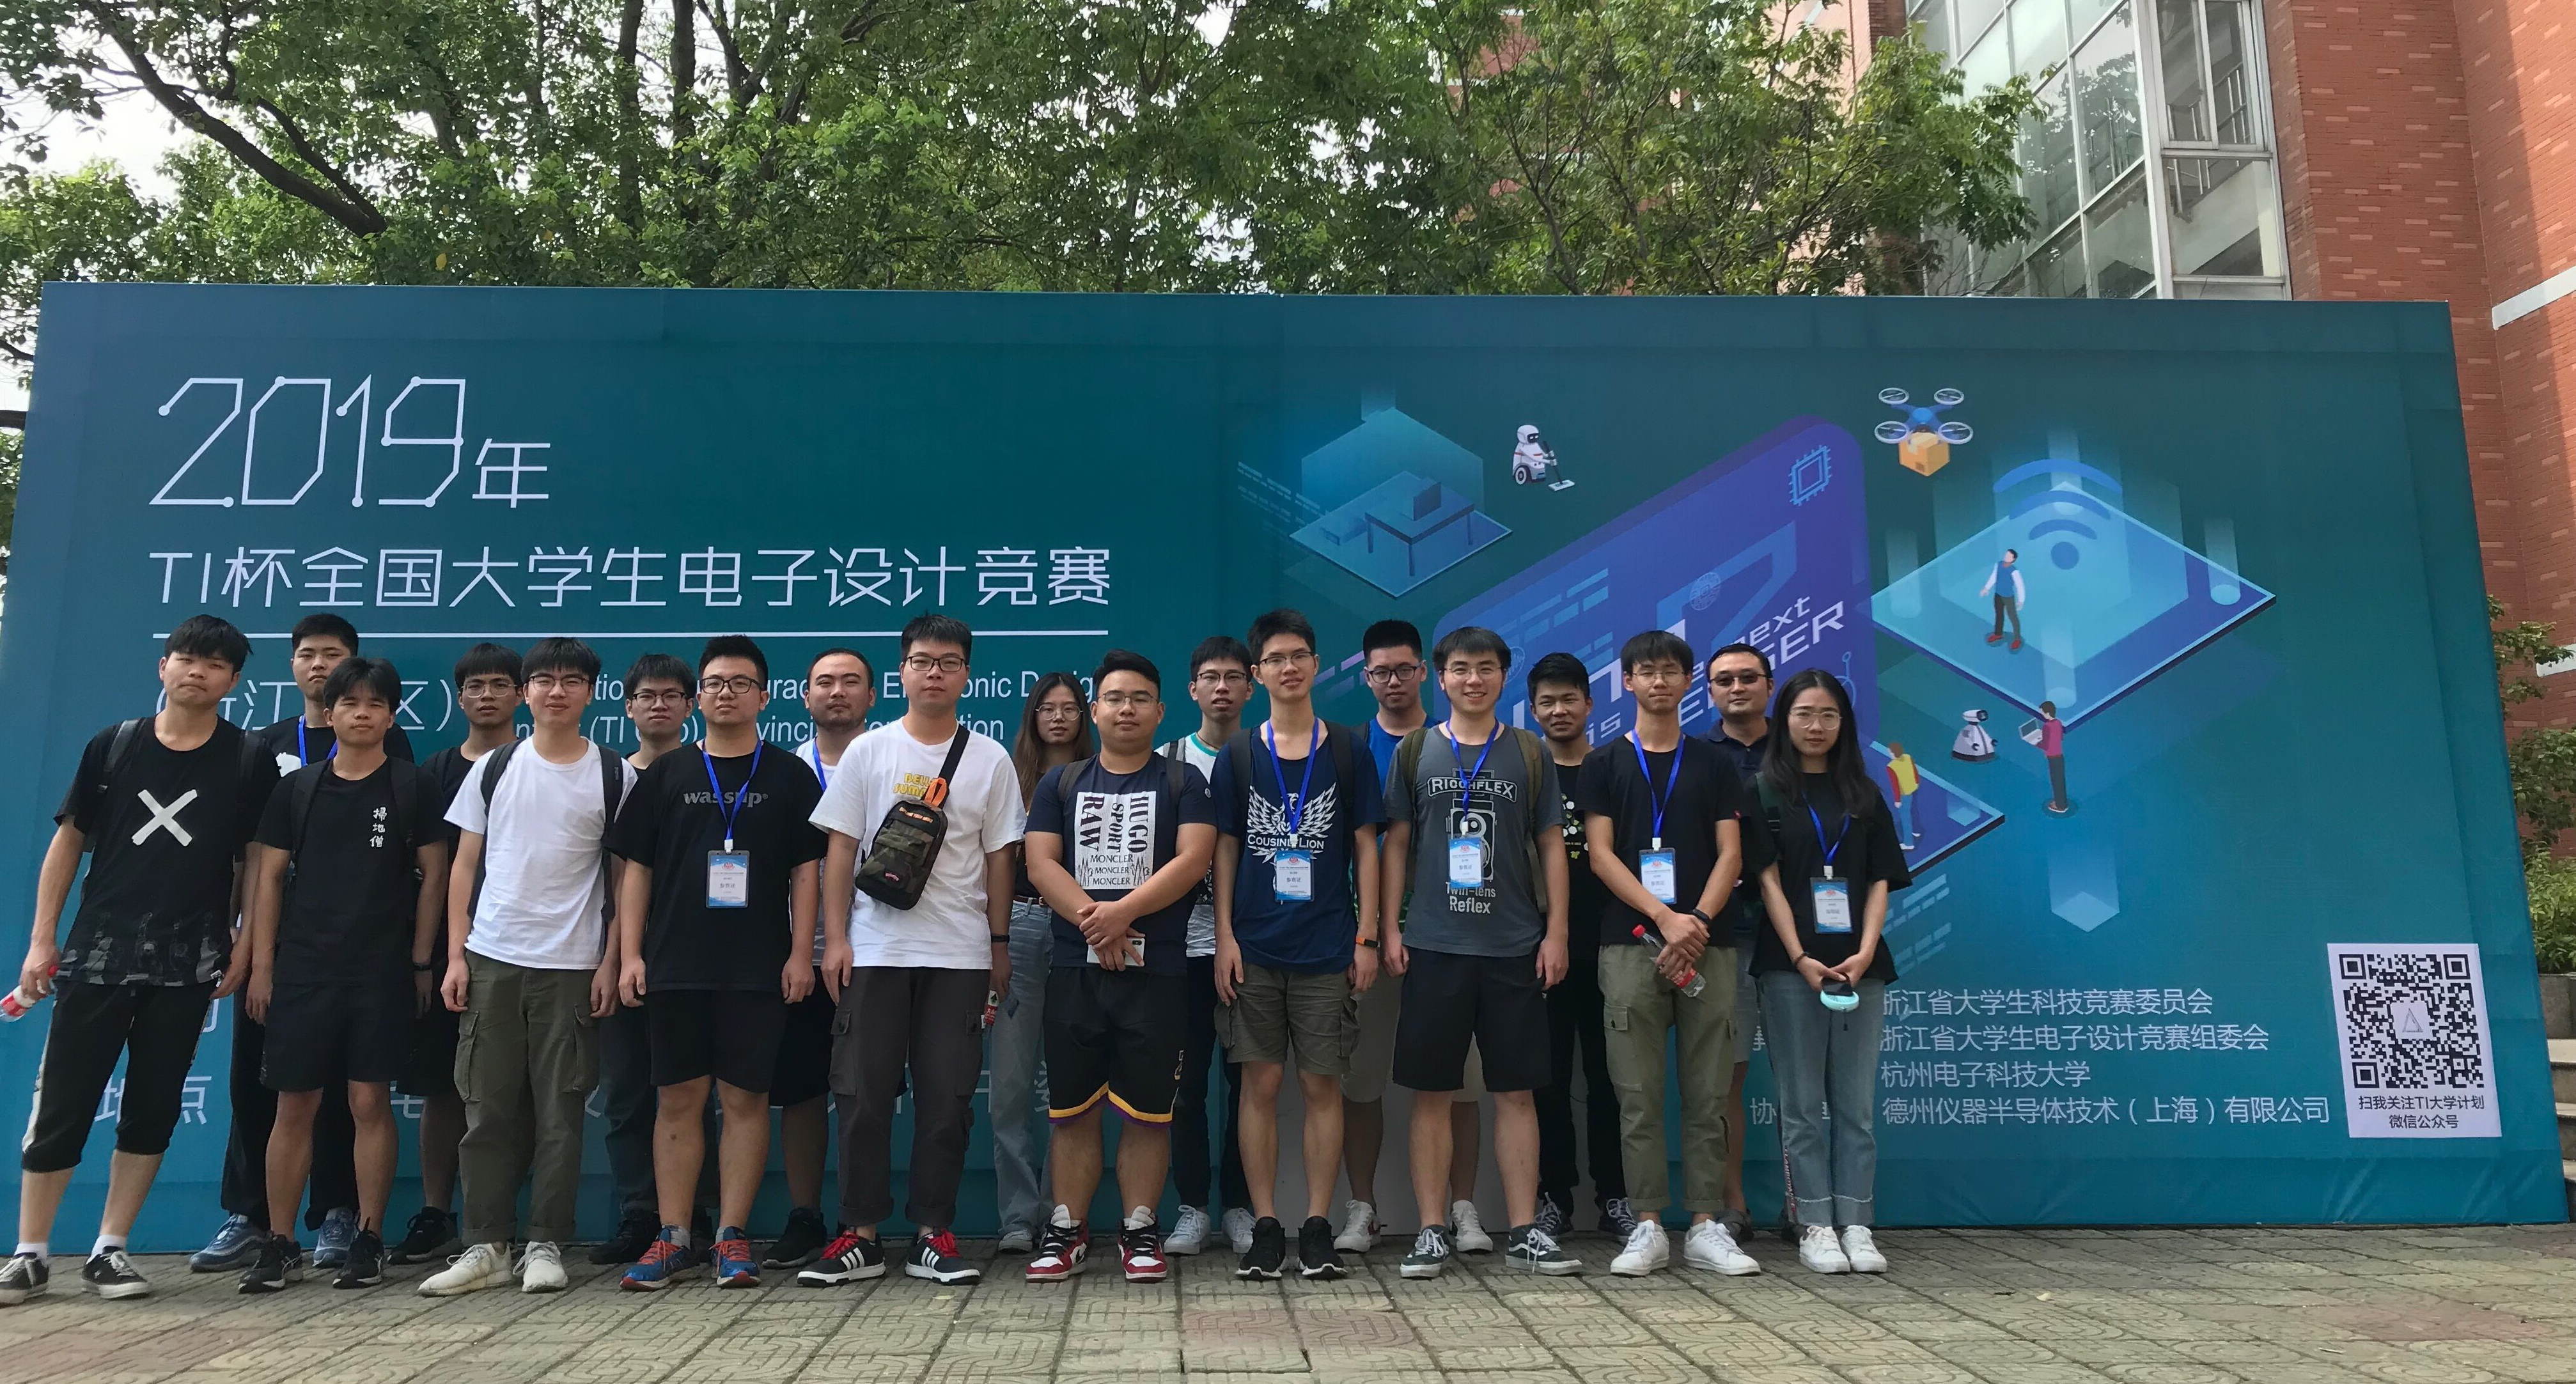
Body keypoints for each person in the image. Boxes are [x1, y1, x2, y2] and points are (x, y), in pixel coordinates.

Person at [1, 617, 277, 1307]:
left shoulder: (246, 758)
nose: (197, 671)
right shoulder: (115, 745)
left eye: (214, 664)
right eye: (186, 657)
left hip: (188, 962)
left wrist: (245, 942)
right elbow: (70, 842)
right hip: (99, 953)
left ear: (234, 681)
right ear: (164, 666)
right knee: (63, 1102)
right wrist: (42, 938)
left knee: (154, 1106)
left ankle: (110, 1248)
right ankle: (30, 1252)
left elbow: (254, 861)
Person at [801, 615, 1024, 1288]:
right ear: (901, 671)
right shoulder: (869, 750)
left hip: (960, 954)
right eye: (923, 661)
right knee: (863, 1095)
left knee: (947, 1099)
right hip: (874, 949)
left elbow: (1000, 859)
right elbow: (840, 848)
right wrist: (836, 939)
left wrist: (999, 944)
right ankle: (859, 1234)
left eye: (949, 663)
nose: (935, 673)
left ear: (966, 675)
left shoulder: (990, 758)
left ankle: (933, 1232)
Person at [199, 612, 412, 1275]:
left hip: (367, 952)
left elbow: (412, 858)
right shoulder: (265, 747)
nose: (320, 665)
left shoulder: (393, 751)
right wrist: (247, 945)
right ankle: (256, 1218)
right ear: (292, 665)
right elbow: (253, 857)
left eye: (334, 654)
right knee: (261, 1085)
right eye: (308, 654)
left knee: (358, 1095)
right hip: (284, 948)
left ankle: (343, 1214)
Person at [421, 638, 634, 1297]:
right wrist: (455, 956)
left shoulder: (614, 774)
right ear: (526, 690)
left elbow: (624, 879)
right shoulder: (495, 766)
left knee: (559, 1114)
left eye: (571, 680)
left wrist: (611, 960)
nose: (556, 690)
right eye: (544, 679)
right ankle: (486, 1243)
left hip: (572, 965)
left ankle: (545, 1241)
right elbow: (463, 865)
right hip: (492, 958)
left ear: (591, 692)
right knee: (485, 1110)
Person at [612, 637, 824, 1290]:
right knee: (677, 1099)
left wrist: (801, 953)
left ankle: (733, 1236)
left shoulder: (789, 775)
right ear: (698, 697)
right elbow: (636, 871)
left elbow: (807, 873)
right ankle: (674, 1235)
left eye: (740, 682)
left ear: (765, 696)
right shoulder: (666, 773)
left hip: (759, 966)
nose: (726, 692)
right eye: (714, 683)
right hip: (675, 963)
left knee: (745, 1099)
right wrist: (630, 954)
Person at [238, 657, 446, 1293]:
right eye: (349, 703)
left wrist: (420, 959)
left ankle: (368, 1236)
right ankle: (280, 1242)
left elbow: (435, 874)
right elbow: (268, 878)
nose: (362, 713)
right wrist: (263, 966)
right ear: (329, 714)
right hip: (303, 969)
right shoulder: (297, 789)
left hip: (380, 970)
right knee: (293, 1104)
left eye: (375, 703)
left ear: (391, 715)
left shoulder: (412, 785)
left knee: (367, 1101)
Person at [1379, 628, 1575, 1278]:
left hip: (1514, 945)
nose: (1473, 679)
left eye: (1485, 668)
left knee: (1516, 1091)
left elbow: (1551, 843)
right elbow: (1397, 842)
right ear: (1441, 678)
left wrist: (1556, 932)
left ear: (1502, 676)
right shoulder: (1415, 750)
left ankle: (1524, 1230)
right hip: (1434, 943)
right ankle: (1430, 1229)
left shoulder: (1528, 751)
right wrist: (1389, 927)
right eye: (1460, 668)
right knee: (1432, 1091)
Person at [1575, 630, 1767, 1279]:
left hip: (1708, 944)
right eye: (1646, 671)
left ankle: (1707, 1223)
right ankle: (1649, 1223)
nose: (1658, 681)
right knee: (1636, 1094)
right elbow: (1601, 855)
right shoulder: (1604, 762)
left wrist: (1698, 922)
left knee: (1709, 1090)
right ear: (1627, 681)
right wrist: (1664, 917)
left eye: (1670, 671)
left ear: (1689, 682)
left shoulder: (1713, 763)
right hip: (1630, 943)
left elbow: (1731, 854)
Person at [1020, 651, 1216, 1284]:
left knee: (1148, 1112)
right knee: (1072, 1111)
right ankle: (1068, 1227)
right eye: (1113, 697)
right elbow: (1040, 863)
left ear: (1160, 711)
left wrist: (1121, 914)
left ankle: (1139, 1227)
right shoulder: (1061, 782)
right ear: (1095, 710)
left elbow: (1193, 860)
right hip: (1075, 972)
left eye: (1138, 698)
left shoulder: (1185, 782)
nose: (1125, 708)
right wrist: (1094, 921)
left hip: (1157, 974)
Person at [1212, 609, 1382, 1282]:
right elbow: (1225, 850)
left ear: (1315, 664)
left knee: (1320, 1084)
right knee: (1259, 1084)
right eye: (1276, 659)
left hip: (1328, 946)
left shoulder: (1346, 749)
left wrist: (1367, 935)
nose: (1289, 667)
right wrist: (1225, 936)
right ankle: (1265, 1225)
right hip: (1253, 947)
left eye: (1300, 656)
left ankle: (1316, 1225)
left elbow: (1366, 846)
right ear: (1258, 673)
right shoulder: (1238, 755)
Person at [1749, 669, 1911, 1275]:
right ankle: (1815, 1223)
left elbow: (1879, 879)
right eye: (1803, 714)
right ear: (1783, 720)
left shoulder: (1863, 794)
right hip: (1790, 966)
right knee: (1799, 1106)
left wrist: (1865, 951)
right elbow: (1766, 882)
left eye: (1828, 715)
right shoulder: (1763, 791)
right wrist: (1798, 956)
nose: (1815, 726)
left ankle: (1858, 1222)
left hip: (1859, 966)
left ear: (1843, 723)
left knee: (1855, 1106)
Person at [1342, 618, 1485, 1258]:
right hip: (1369, 937)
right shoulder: (1349, 747)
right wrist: (1367, 932)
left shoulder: (1458, 741)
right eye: (1381, 671)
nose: (1394, 681)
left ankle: (1463, 1209)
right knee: (1360, 1080)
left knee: (1462, 1083)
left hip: (1452, 938)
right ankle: (1363, 1208)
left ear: (1425, 672)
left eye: (1404, 669)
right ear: (1366, 676)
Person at [394, 643, 522, 1268]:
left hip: (528, 948)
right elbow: (425, 868)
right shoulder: (433, 772)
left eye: (500, 684)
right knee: (443, 1087)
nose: (488, 695)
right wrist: (431, 957)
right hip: (452, 952)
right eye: (476, 685)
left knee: (519, 1092)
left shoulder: (545, 763)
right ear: (460, 696)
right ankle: (436, 1212)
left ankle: (503, 1219)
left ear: (521, 693)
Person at [589, 654, 714, 1268]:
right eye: (646, 695)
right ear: (628, 706)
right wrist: (615, 958)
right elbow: (615, 877)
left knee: (695, 1093)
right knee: (626, 1092)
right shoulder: (610, 777)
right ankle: (640, 1212)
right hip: (620, 955)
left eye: (671, 695)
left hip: (697, 956)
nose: (659, 705)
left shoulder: (712, 772)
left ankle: (696, 1217)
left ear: (691, 705)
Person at [765, 646, 875, 1271]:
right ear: (804, 696)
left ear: (872, 695)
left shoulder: (893, 762)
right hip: (798, 957)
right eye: (825, 682)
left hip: (881, 953)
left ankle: (866, 1219)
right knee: (802, 1090)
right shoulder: (786, 771)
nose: (838, 691)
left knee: (871, 1092)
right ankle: (806, 1215)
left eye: (851, 681)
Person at [1525, 653, 1626, 1241]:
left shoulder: (1612, 768)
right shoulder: (1527, 772)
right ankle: (1553, 1198)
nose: (1558, 710)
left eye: (1569, 699)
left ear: (1589, 703)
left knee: (1612, 1080)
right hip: (1540, 950)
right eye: (1547, 702)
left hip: (1612, 945)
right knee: (1548, 1080)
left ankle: (1615, 1196)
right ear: (1532, 710)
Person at [1159, 635, 1254, 1257]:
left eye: (1233, 677)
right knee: (1185, 1085)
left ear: (1250, 686)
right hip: (1179, 950)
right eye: (1210, 677)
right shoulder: (1166, 760)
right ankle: (1193, 1207)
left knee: (1248, 1086)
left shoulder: (1264, 755)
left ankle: (1241, 1207)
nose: (1222, 687)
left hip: (1249, 947)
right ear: (1192, 688)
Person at [993, 673, 1095, 1254]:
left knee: (1073, 1078)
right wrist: (995, 939)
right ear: (1032, 717)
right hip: (1022, 925)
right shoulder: (1009, 779)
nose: (1058, 717)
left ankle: (1064, 1210)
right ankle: (1016, 1215)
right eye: (1047, 708)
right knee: (1009, 1083)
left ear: (1085, 717)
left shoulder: (1101, 776)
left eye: (1069, 708)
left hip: (1084, 928)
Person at [1702, 641, 1772, 1243]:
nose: (1736, 688)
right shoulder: (1697, 757)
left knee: (1807, 1079)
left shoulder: (1803, 748)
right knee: (1728, 1077)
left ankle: (1810, 1205)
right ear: (1709, 691)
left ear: (1769, 686)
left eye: (1748, 677)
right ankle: (1733, 1205)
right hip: (1728, 937)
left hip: (1803, 940)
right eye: (1723, 680)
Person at [1981, 548, 2025, 652]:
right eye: (2006, 555)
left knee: (2013, 617)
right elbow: (1994, 577)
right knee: (1999, 614)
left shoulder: (2014, 571)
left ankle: (2017, 639)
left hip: (2008, 597)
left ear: (2013, 559)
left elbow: (2020, 586)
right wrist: (1987, 588)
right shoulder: (1999, 565)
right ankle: (1998, 634)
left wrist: (2021, 601)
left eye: (2009, 556)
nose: (2006, 557)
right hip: (1998, 595)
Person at [1886, 743, 1921, 847]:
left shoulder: (1891, 767)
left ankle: (1909, 843)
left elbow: (1895, 785)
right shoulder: (1908, 757)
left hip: (1905, 794)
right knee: (1914, 810)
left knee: (1906, 818)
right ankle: (1916, 830)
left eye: (1890, 752)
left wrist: (1897, 800)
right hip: (1914, 788)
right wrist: (1917, 783)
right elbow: (1915, 772)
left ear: (1893, 753)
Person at [2038, 703, 2070, 814]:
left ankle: (2060, 806)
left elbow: (2045, 746)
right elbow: (2060, 738)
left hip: (2052, 758)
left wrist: (2035, 743)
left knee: (2056, 782)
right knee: (2060, 781)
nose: (2042, 714)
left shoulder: (2047, 726)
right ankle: (2062, 803)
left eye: (2043, 712)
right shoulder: (2058, 723)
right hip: (2060, 756)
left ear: (2047, 713)